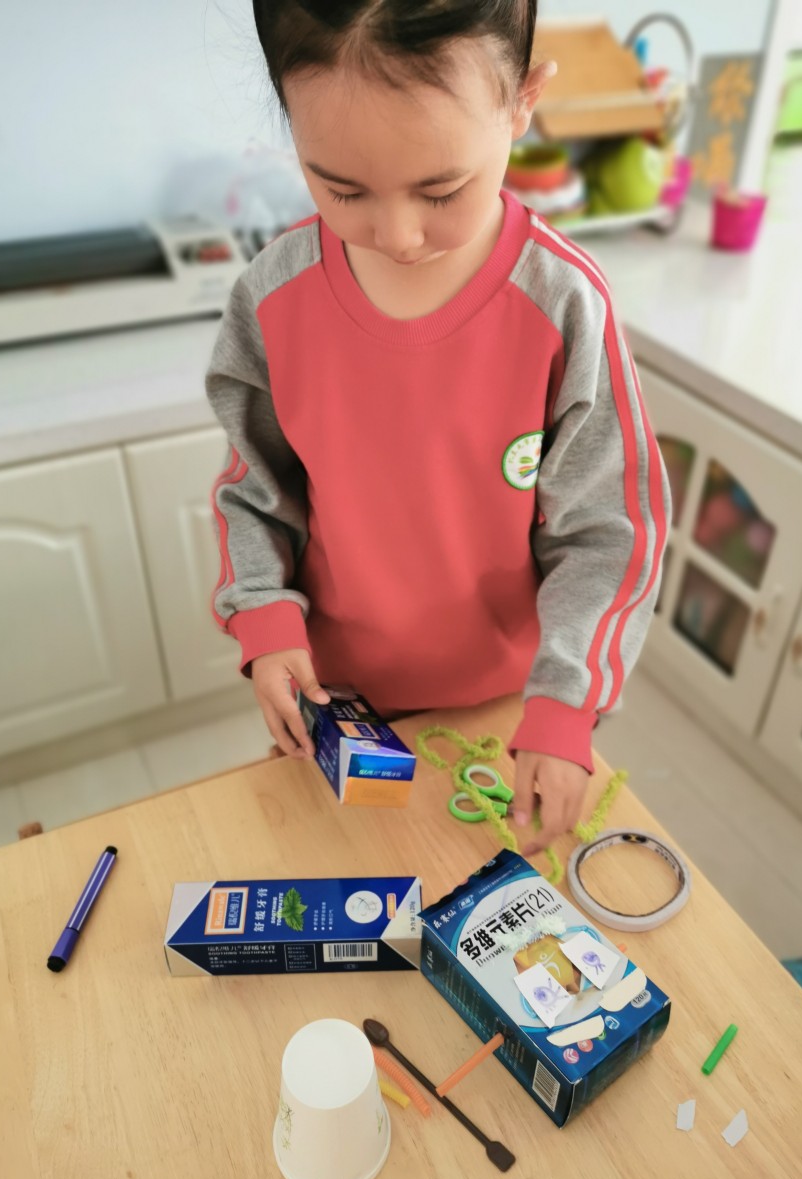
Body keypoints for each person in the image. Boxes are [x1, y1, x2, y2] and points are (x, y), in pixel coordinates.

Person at [207, 0, 669, 856]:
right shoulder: (272, 297)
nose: (399, 235)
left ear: (524, 101)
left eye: (441, 189)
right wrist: (264, 617)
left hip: (512, 707)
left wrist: (566, 703)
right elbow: (254, 491)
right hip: (337, 702)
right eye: (342, 189)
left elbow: (610, 532)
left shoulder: (564, 305)